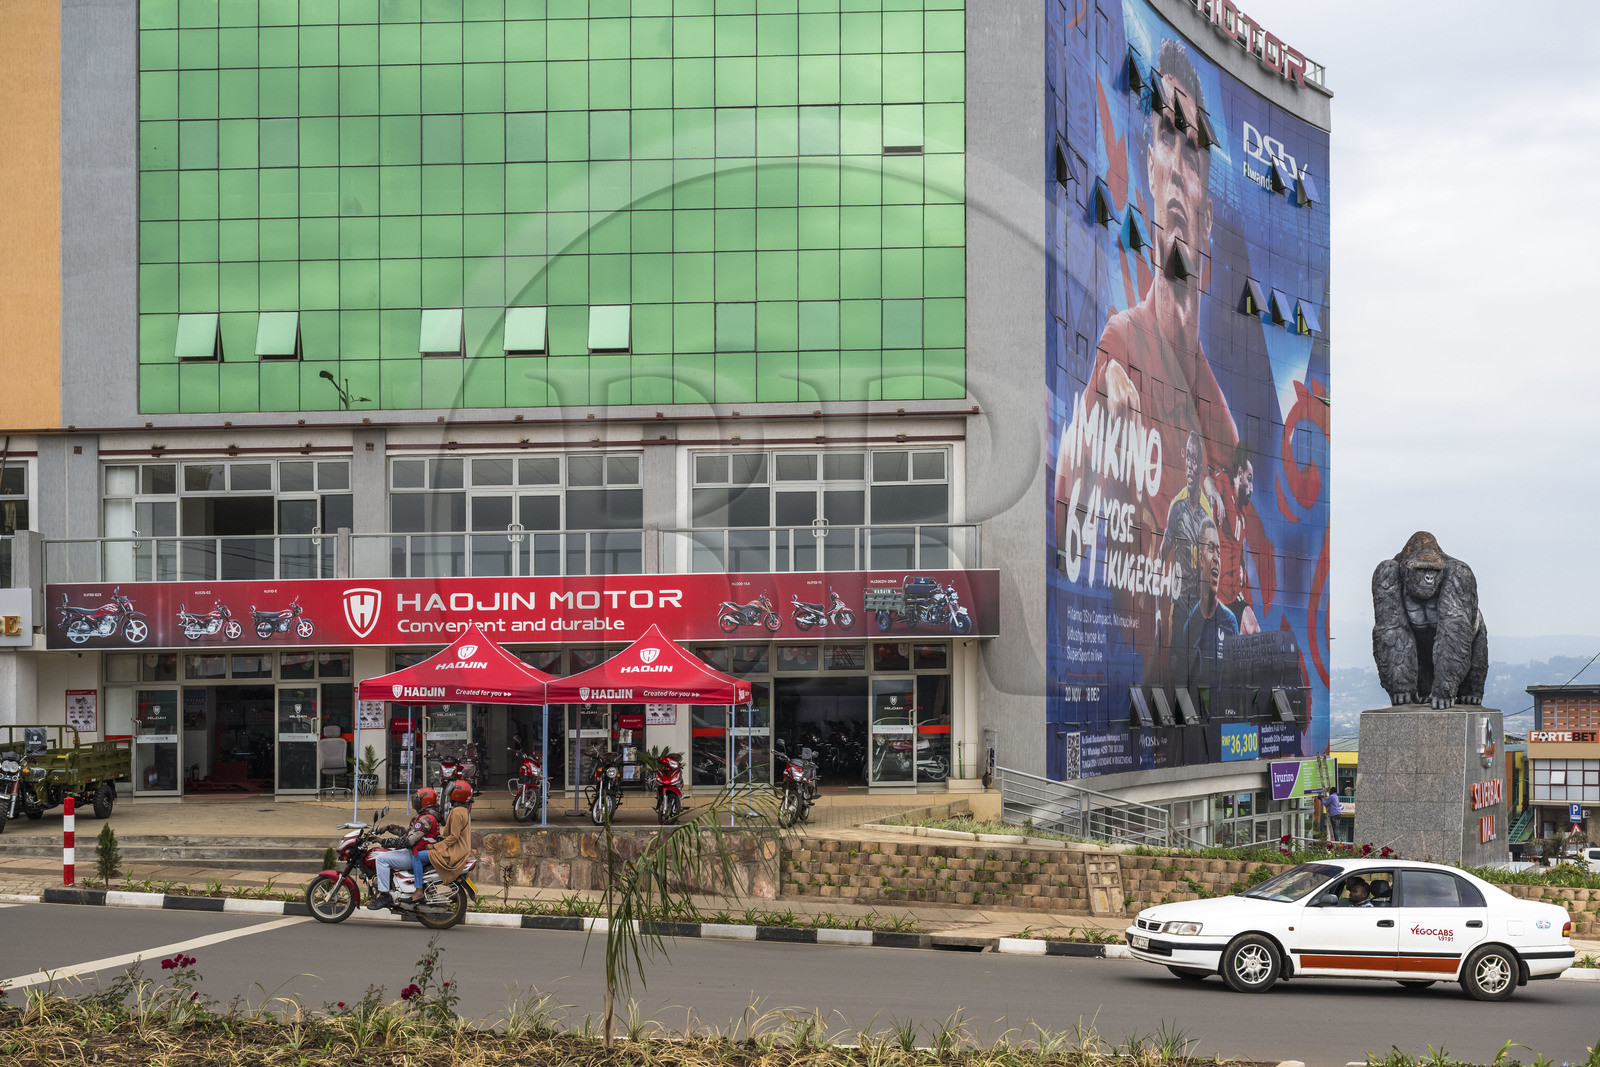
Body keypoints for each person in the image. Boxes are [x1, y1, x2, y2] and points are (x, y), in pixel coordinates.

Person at [1053, 38, 1240, 675]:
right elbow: (1064, 536)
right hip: (1128, 694)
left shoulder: (1222, 425)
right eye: (1167, 137)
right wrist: (1098, 437)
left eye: (1194, 150)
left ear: (1207, 213)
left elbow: (1233, 593)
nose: (1180, 166)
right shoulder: (1121, 346)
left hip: (1194, 701)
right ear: (1151, 173)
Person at [1205, 441, 1269, 635]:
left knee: (1254, 629)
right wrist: (1216, 497)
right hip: (1219, 597)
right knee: (1238, 636)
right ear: (1240, 473)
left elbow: (1238, 549)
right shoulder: (1224, 483)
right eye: (1249, 478)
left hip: (1234, 594)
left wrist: (1241, 569)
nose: (1252, 488)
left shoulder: (1242, 514)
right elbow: (1207, 481)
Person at [1170, 517, 1237, 690]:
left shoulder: (1230, 622)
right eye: (1211, 549)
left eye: (1219, 553)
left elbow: (1236, 678)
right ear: (1200, 558)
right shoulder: (1190, 627)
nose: (1216, 558)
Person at [369, 786, 441, 910]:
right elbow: (409, 833)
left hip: (417, 853)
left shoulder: (426, 819)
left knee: (381, 859)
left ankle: (384, 895)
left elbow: (408, 840)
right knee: (389, 853)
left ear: (425, 801)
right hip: (417, 851)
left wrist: (383, 842)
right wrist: (389, 828)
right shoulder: (427, 816)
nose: (415, 802)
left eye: (418, 800)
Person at [413, 779, 475, 903]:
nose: (448, 794)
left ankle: (418, 890)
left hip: (455, 851)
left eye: (451, 792)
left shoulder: (456, 813)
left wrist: (434, 847)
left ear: (456, 794)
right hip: (461, 849)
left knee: (417, 856)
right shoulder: (464, 810)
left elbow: (453, 837)